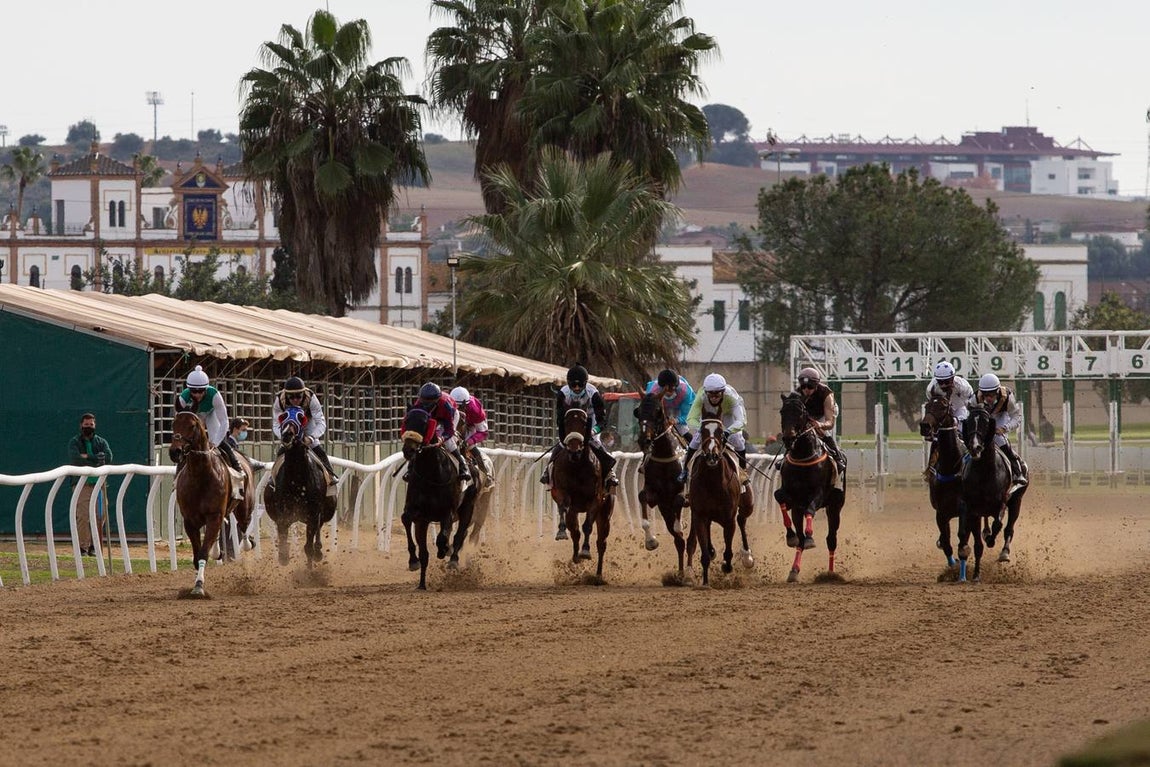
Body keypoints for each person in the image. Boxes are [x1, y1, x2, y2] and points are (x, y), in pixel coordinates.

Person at [539, 364, 619, 488]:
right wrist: (565, 435)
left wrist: (593, 431)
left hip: (589, 427)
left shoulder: (594, 394)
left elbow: (602, 421)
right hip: (570, 429)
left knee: (598, 447)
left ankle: (609, 473)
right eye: (573, 385)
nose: (576, 388)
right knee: (559, 447)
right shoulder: (563, 394)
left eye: (580, 385)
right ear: (568, 384)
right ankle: (548, 470)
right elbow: (560, 420)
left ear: (585, 383)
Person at [678, 373, 749, 485]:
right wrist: (701, 428)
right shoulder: (701, 397)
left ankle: (743, 471)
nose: (714, 398)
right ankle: (685, 470)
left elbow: (741, 420)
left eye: (717, 394)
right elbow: (691, 418)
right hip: (708, 414)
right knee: (697, 438)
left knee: (737, 439)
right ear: (706, 392)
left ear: (723, 391)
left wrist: (728, 431)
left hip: (727, 413)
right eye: (711, 395)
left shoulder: (731, 397)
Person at [173, 365, 244, 476]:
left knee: (218, 441)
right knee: (187, 443)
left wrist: (215, 443)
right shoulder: (183, 397)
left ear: (206, 389)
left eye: (201, 391)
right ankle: (177, 475)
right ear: (189, 389)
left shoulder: (214, 395)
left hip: (211, 414)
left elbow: (224, 421)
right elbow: (179, 423)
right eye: (194, 391)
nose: (197, 395)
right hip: (194, 416)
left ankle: (237, 466)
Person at [271, 376, 338, 486]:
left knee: (319, 451)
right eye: (291, 397)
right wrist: (284, 437)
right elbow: (276, 424)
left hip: (308, 425)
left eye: (298, 396)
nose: (295, 400)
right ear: (286, 395)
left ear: (303, 393)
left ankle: (330, 475)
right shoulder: (279, 400)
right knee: (281, 452)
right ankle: (272, 479)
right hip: (288, 428)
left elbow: (321, 422)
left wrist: (311, 438)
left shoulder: (311, 397)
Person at [67, 413, 112, 557]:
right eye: (86, 425)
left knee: (101, 515)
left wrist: (88, 457)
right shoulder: (74, 442)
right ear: (81, 425)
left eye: (91, 424)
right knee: (83, 516)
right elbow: (76, 459)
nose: (88, 427)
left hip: (99, 484)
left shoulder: (101, 442)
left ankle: (95, 546)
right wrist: (96, 459)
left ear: (95, 425)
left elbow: (108, 457)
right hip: (82, 483)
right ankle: (82, 547)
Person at [973, 372, 1028, 490]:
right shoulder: (975, 398)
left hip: (1000, 417)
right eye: (985, 394)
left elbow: (1017, 417)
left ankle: (1017, 471)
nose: (988, 398)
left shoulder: (1007, 397)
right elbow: (970, 416)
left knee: (999, 439)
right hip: (982, 419)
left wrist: (1004, 428)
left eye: (991, 394)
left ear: (997, 391)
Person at [405, 382, 470, 481]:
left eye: (429, 402)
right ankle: (410, 469)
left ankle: (463, 467)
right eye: (424, 401)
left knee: (449, 442)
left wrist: (442, 438)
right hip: (431, 417)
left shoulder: (446, 406)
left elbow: (449, 429)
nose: (426, 404)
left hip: (448, 416)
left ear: (437, 400)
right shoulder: (418, 403)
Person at [794, 367, 848, 480]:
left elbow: (830, 423)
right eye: (803, 386)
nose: (806, 390)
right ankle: (785, 458)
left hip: (825, 413)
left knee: (821, 432)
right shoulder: (797, 394)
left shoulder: (826, 394)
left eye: (810, 387)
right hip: (808, 414)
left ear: (816, 385)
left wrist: (820, 424)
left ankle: (838, 458)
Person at [922, 360, 974, 473]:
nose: (944, 385)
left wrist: (959, 420)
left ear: (953, 378)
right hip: (942, 411)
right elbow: (932, 409)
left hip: (960, 409)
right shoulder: (931, 389)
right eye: (941, 382)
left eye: (947, 381)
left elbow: (971, 406)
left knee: (964, 431)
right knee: (937, 438)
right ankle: (931, 467)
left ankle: (972, 459)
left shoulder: (963, 386)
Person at [643, 368, 695, 442]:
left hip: (679, 408)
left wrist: (676, 420)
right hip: (660, 406)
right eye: (665, 389)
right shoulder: (652, 391)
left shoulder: (685, 392)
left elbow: (688, 415)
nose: (668, 392)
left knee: (683, 430)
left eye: (671, 389)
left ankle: (694, 449)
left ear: (676, 387)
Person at [450, 386, 490, 472]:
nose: (457, 410)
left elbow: (483, 432)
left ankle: (485, 472)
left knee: (469, 445)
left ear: (465, 405)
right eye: (455, 406)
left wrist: (469, 442)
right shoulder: (448, 404)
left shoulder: (475, 410)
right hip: (451, 425)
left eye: (459, 407)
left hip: (471, 425)